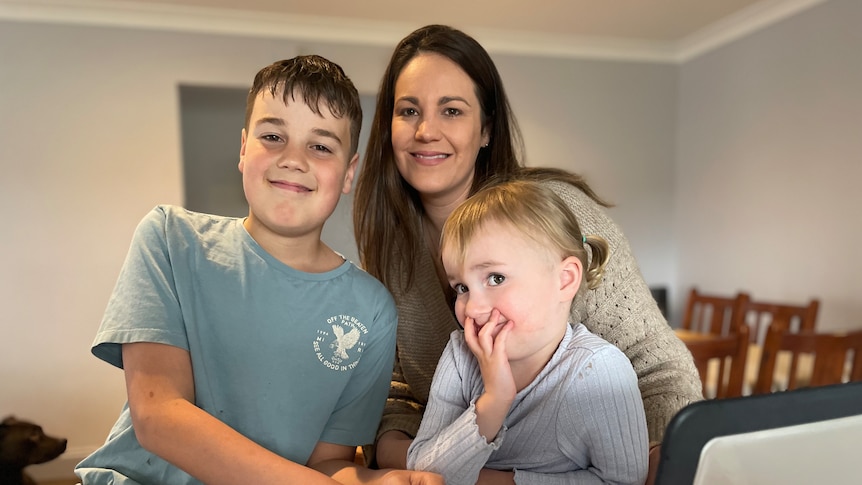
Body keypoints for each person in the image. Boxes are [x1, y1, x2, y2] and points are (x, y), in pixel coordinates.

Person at [352, 24, 703, 474]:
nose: (426, 131)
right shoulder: (389, 248)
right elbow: (395, 387)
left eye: (452, 110)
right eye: (408, 111)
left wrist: (659, 467)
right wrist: (406, 456)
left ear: (486, 130)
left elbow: (658, 373)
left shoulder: (558, 215)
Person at [75, 56, 442, 485]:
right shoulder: (171, 239)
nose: (293, 159)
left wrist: (377, 481)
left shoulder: (373, 309)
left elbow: (328, 463)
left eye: (321, 146)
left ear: (349, 173)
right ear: (244, 148)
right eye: (273, 136)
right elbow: (159, 416)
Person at [407, 180, 649, 484]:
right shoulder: (460, 354)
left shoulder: (597, 370)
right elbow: (422, 472)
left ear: (564, 280)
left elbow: (624, 482)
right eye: (462, 287)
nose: (471, 309)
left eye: (496, 278)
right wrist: (494, 401)